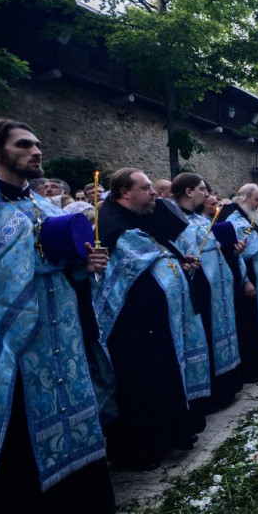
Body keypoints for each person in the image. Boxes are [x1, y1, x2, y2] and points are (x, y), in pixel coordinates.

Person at [0, 119, 114, 514]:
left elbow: (71, 261)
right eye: (24, 145)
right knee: (22, 425)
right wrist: (40, 258)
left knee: (68, 411)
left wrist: (90, 262)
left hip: (60, 331)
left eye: (38, 145)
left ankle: (77, 512)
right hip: (10, 339)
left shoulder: (48, 210)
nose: (36, 151)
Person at [96, 168, 210, 469]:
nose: (154, 194)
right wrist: (171, 259)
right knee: (137, 387)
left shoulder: (138, 217)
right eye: (146, 188)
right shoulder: (112, 223)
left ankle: (164, 439)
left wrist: (178, 259)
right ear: (125, 192)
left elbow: (159, 248)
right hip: (130, 324)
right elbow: (136, 259)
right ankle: (136, 452)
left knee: (159, 380)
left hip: (154, 323)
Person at [171, 173, 243, 411]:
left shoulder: (202, 219)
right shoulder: (174, 219)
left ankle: (227, 388)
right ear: (189, 191)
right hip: (199, 287)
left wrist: (233, 252)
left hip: (218, 287)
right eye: (203, 189)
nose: (208, 194)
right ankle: (209, 396)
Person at [221, 184, 258, 381]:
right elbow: (237, 256)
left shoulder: (248, 217)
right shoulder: (234, 220)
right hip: (247, 280)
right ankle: (252, 369)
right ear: (244, 198)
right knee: (248, 324)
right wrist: (245, 280)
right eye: (256, 199)